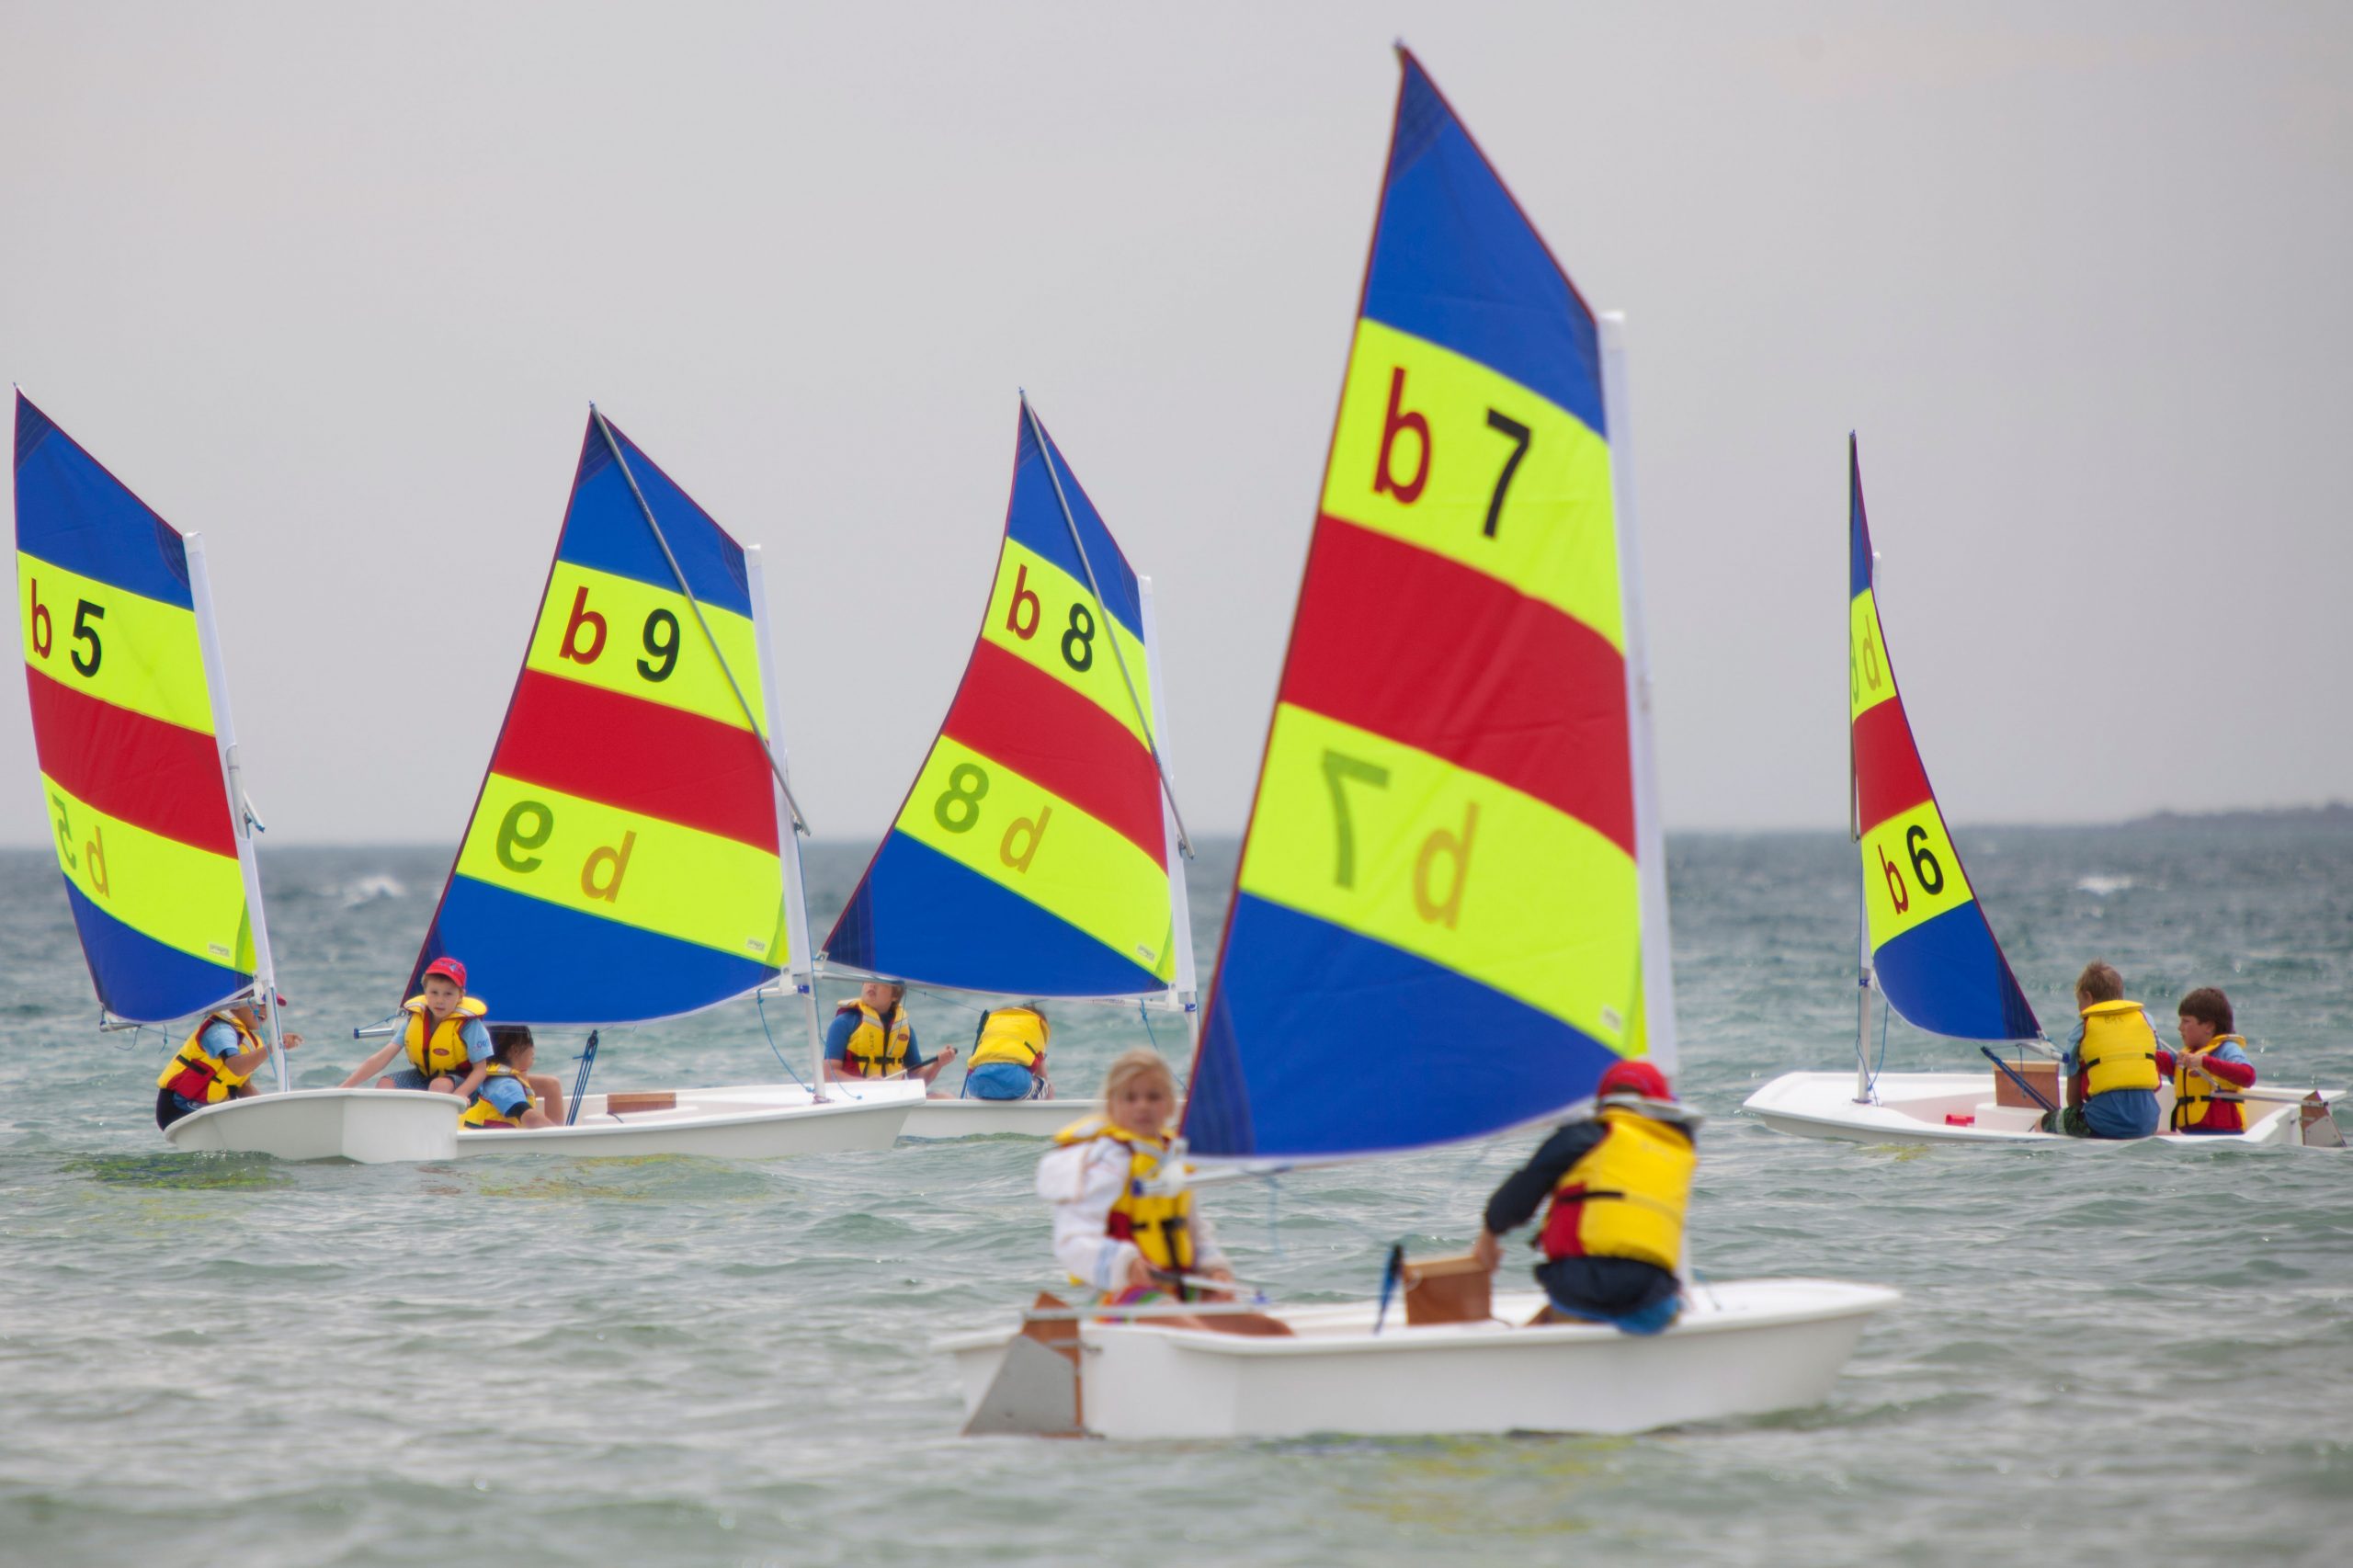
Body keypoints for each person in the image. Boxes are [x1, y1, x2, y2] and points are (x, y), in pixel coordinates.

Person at [1472, 1059, 1696, 1335]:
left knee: (1565, 1309)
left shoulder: (1585, 1135)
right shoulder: (1680, 1149)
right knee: (1665, 1304)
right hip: (1649, 1302)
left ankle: (1524, 1349)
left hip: (1578, 1291)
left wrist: (1489, 1234)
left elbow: (1520, 1194)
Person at [1037, 1047, 1232, 1303]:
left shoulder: (1172, 1156)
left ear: (1171, 1103)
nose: (1143, 1106)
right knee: (1165, 1310)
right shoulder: (1109, 1161)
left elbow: (1195, 1229)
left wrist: (1215, 1270)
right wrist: (1125, 1265)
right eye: (1130, 1098)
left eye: (1153, 1097)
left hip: (1178, 1287)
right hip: (1117, 1295)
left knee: (1247, 1317)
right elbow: (1072, 1239)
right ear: (1112, 1104)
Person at [341, 956, 492, 1099]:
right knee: (385, 1084)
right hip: (425, 1078)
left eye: (448, 994)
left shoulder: (470, 1025)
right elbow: (381, 1058)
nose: (440, 1000)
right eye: (434, 993)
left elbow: (480, 1071)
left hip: (464, 1083)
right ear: (425, 992)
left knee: (439, 1086)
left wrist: (460, 1094)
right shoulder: (416, 1019)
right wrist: (344, 1088)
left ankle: (434, 1121)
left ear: (460, 996)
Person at [154, 996, 303, 1130]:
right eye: (259, 1002)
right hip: (178, 1107)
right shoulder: (220, 1030)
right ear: (235, 1004)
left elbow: (243, 1086)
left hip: (205, 1108)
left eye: (270, 1005)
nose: (265, 1010)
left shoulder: (249, 1039)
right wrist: (273, 1046)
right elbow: (237, 1067)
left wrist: (271, 1114)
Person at [2058, 961, 2163, 1140]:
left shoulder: (2082, 1028)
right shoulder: (2146, 1020)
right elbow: (2155, 1062)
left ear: (2088, 997)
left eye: (2079, 1002)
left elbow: (2073, 1096)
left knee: (2044, 1122)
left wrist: (2075, 1115)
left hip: (2102, 1125)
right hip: (2149, 1122)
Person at [2157, 987, 2257, 1135]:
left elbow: (2248, 1076)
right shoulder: (2186, 1055)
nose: (2180, 1028)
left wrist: (2205, 1062)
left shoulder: (2227, 1049)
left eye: (2186, 1021)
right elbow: (2161, 1062)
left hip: (2223, 1138)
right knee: (2152, 1136)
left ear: (2209, 1026)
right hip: (2192, 1138)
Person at [823, 979, 954, 1086]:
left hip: (893, 1100)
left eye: (880, 981)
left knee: (945, 1097)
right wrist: (864, 1084)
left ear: (895, 995)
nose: (872, 984)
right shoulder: (843, 1023)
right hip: (856, 1099)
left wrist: (938, 1064)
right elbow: (829, 1075)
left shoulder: (904, 1030)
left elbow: (918, 1079)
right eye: (867, 980)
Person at [459, 1025, 557, 1131]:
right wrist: (560, 1136)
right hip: (486, 1145)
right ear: (514, 1050)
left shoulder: (484, 1076)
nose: (533, 1048)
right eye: (530, 1041)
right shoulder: (505, 1084)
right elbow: (531, 1118)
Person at [961, 1004, 1052, 1101]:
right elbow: (1042, 1074)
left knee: (975, 1084)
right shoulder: (1034, 1032)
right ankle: (1051, 1113)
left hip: (977, 1085)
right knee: (1046, 1085)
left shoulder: (992, 1028)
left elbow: (972, 1068)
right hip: (1016, 1085)